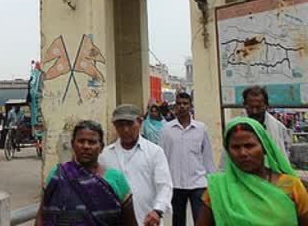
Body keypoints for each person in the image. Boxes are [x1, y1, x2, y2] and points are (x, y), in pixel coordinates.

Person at [198, 117, 308, 226]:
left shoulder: (291, 186)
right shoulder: (218, 189)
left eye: (249, 146)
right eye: (235, 147)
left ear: (265, 148)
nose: (243, 153)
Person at [35, 119, 137, 226]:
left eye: (92, 142)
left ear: (101, 147)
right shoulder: (58, 175)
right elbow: (41, 216)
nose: (86, 146)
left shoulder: (116, 179)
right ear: (73, 144)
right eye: (81, 141)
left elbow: (130, 222)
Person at [100, 104, 173, 226]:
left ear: (140, 122)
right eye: (120, 125)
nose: (125, 129)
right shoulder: (105, 155)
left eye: (129, 124)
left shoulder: (154, 152)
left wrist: (157, 210)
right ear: (115, 126)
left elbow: (165, 185)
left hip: (147, 220)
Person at [160, 92, 215, 226]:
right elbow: (162, 156)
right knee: (178, 221)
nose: (182, 106)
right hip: (176, 183)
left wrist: (212, 182)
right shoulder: (167, 129)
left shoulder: (201, 129)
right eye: (179, 104)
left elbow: (207, 156)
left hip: (198, 183)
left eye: (185, 104)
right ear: (175, 107)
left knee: (201, 219)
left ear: (190, 106)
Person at [242, 86, 291, 159]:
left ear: (266, 106)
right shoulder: (235, 127)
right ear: (245, 105)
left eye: (258, 107)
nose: (254, 111)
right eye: (251, 107)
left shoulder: (279, 128)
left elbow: (285, 153)